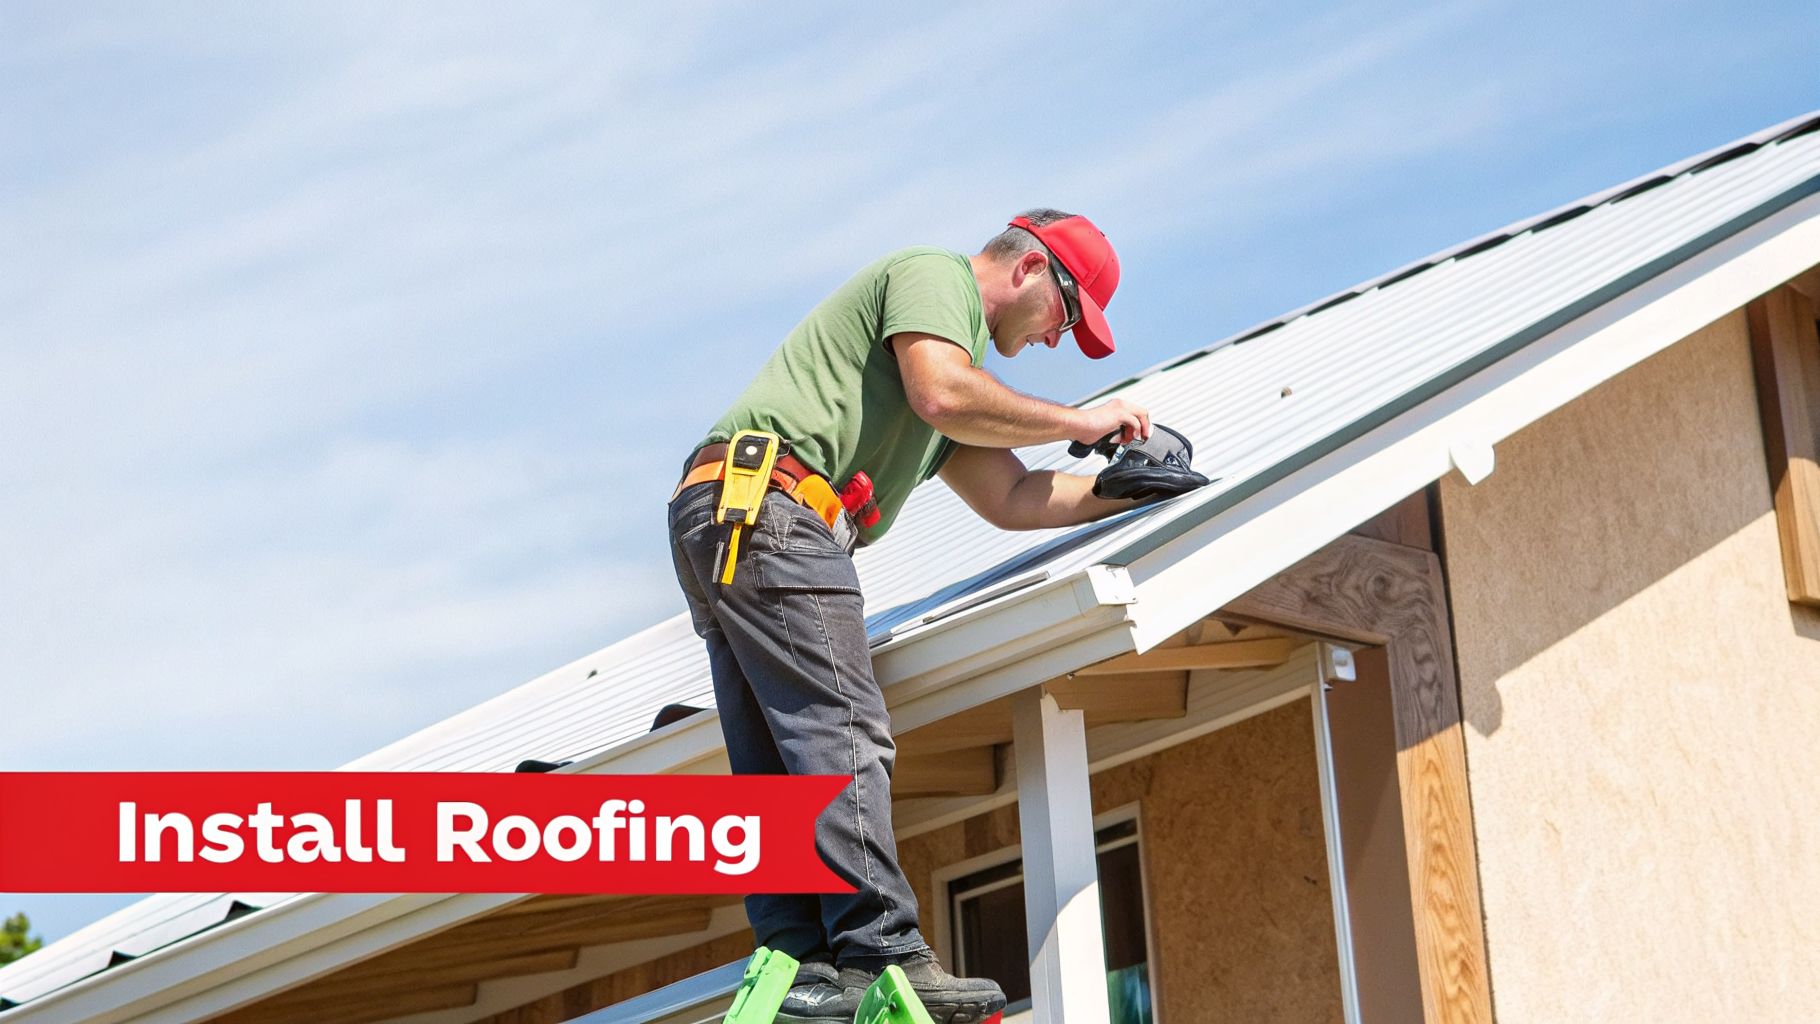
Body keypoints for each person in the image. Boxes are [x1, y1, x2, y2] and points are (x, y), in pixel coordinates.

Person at [667, 209, 1188, 1023]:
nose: (1059, 342)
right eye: (1068, 317)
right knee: (843, 732)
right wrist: (1085, 420)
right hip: (774, 511)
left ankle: (806, 965)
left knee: (782, 754)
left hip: (733, 514)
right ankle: (881, 951)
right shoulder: (932, 280)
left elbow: (1012, 496)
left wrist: (1112, 491)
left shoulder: (944, 391)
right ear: (1029, 270)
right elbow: (945, 391)